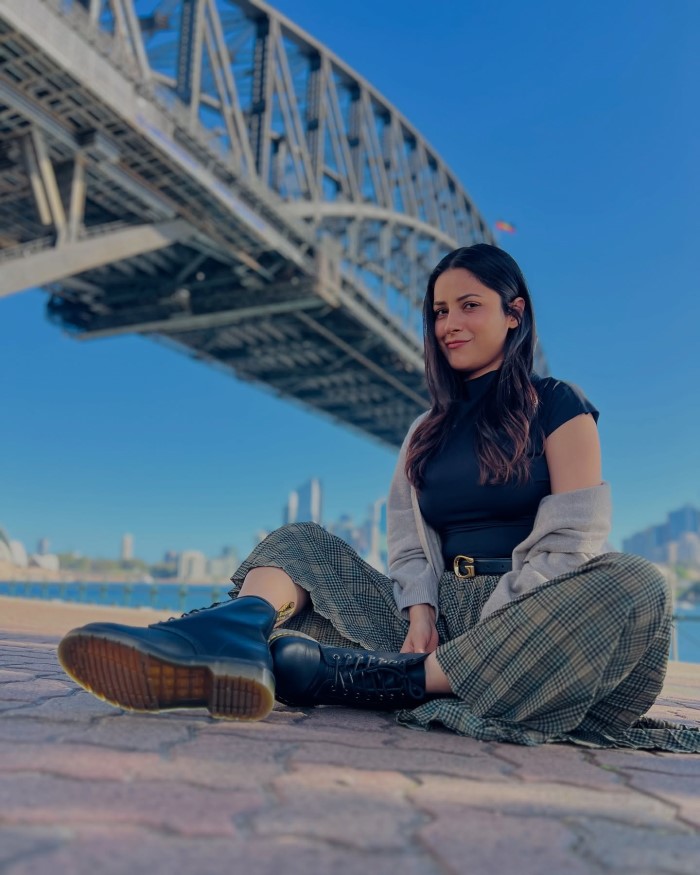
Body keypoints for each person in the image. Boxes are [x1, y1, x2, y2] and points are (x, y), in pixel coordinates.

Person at [58, 244, 699, 751]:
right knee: (300, 542)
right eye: (439, 311)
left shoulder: (559, 406)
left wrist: (501, 618)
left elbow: (574, 541)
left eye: (469, 305)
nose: (449, 323)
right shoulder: (427, 430)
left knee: (639, 581)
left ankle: (377, 681)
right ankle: (229, 635)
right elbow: (406, 542)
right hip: (437, 620)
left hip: (539, 621)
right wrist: (420, 612)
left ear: (515, 312)